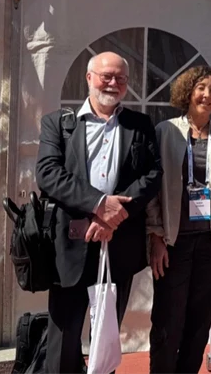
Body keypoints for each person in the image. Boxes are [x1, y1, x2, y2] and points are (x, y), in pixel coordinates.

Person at [35, 51, 162, 374]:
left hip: (119, 244)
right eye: (106, 75)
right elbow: (48, 174)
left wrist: (113, 216)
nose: (113, 83)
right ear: (89, 78)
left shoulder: (141, 125)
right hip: (71, 244)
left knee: (107, 333)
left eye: (120, 78)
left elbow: (152, 176)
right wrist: (98, 205)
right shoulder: (58, 124)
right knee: (63, 332)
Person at [147, 65, 211, 374]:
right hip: (174, 243)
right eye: (202, 88)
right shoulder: (165, 132)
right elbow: (152, 193)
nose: (208, 95)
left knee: (200, 322)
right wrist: (156, 238)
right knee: (167, 320)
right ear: (188, 92)